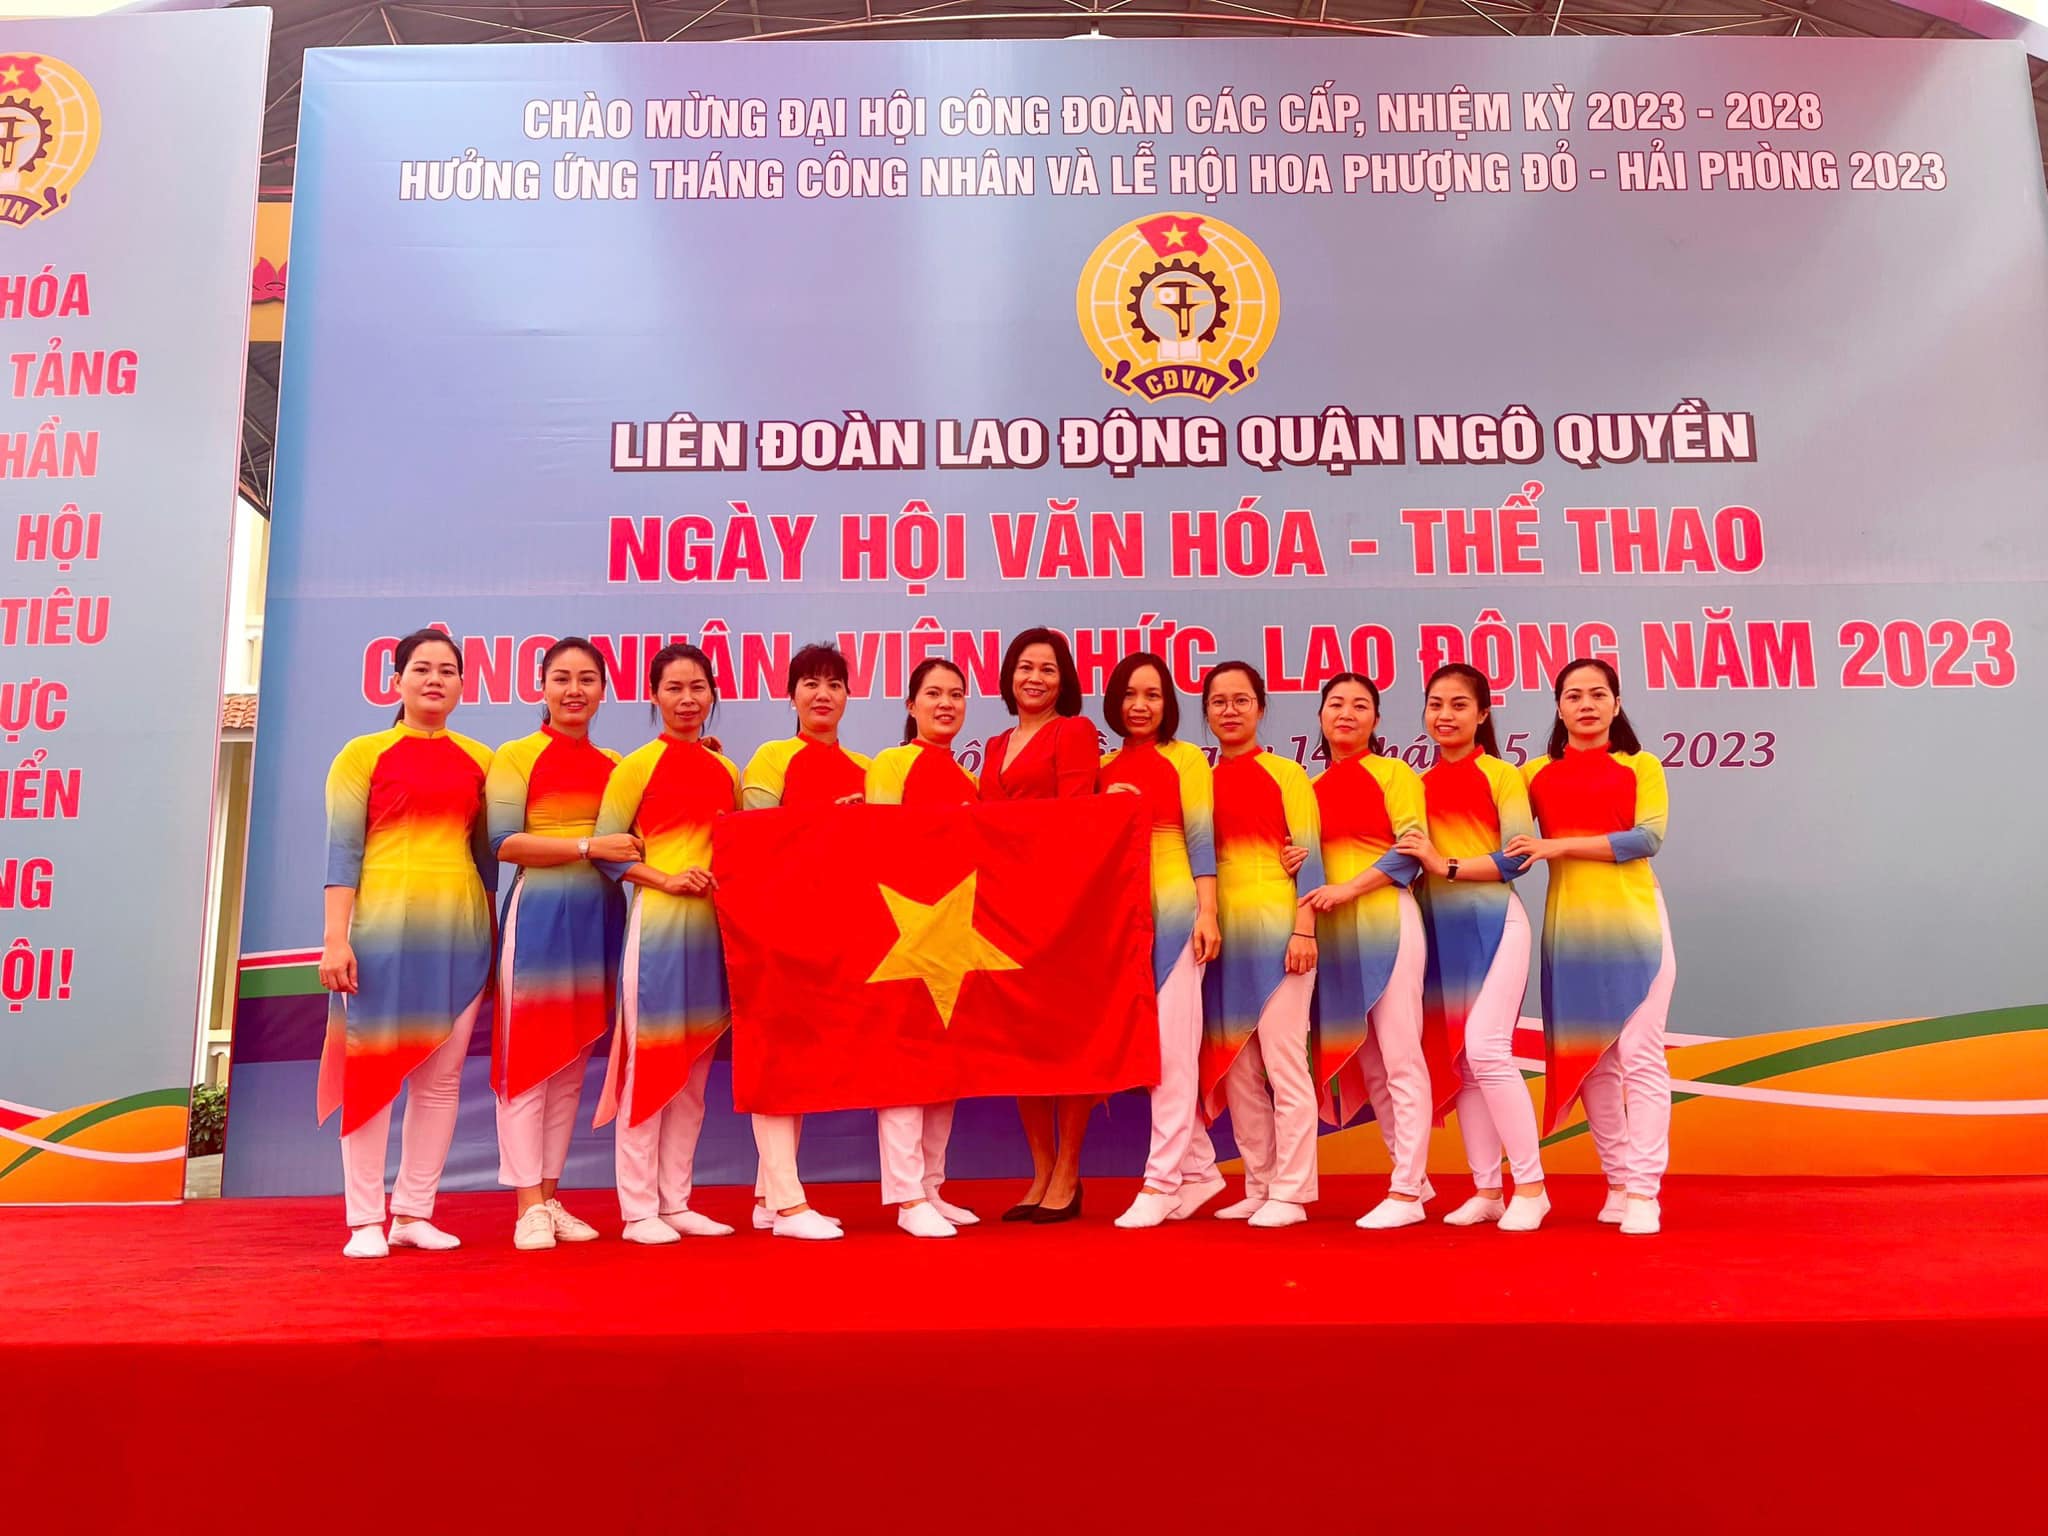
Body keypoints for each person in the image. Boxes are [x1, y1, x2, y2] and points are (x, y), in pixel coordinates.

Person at [318, 628, 496, 1259]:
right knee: (372, 1074)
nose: (435, 679)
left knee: (441, 1082)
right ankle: (365, 1219)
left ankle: (415, 1213)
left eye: (448, 670)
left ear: (463, 685)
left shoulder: (481, 760)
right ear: (395, 681)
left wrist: (489, 940)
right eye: (422, 668)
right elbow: (343, 853)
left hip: (460, 937)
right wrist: (335, 940)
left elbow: (488, 860)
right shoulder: (362, 755)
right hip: (379, 936)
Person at [591, 644, 760, 1242]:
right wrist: (665, 879)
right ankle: (638, 1210)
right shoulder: (635, 767)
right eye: (674, 688)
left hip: (712, 935)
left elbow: (741, 847)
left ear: (713, 694)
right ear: (654, 696)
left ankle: (676, 1200)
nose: (687, 699)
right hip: (658, 930)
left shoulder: (726, 771)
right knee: (649, 1065)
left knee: (693, 1070)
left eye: (698, 688)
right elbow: (607, 851)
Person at [1512, 658, 1675, 1236]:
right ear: (1558, 707)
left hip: (1636, 922)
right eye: (1574, 695)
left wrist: (1558, 846)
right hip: (1571, 931)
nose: (1586, 704)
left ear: (1616, 703)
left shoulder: (1641, 766)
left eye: (1598, 694)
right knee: (1594, 1064)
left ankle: (1645, 1191)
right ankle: (1619, 1182)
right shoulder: (1533, 774)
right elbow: (1501, 839)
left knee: (1640, 1054)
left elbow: (1646, 838)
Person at [486, 637, 635, 1251]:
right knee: (528, 1062)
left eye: (587, 679)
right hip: (539, 919)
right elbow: (504, 843)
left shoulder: (617, 765)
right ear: (541, 687)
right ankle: (526, 1206)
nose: (575, 690)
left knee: (571, 1064)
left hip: (599, 919)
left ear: (603, 691)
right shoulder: (516, 756)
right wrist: (586, 846)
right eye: (562, 678)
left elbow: (645, 831)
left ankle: (549, 1197)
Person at [1396, 664, 1549, 1232]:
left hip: (1495, 923)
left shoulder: (1502, 776)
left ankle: (1531, 1187)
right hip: (1440, 933)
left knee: (1486, 1049)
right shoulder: (1415, 784)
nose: (1445, 715)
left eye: (1459, 705)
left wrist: (1446, 865)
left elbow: (1517, 856)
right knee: (1460, 1061)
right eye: (1435, 704)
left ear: (1483, 714)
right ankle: (1487, 1190)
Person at [738, 642, 867, 1236]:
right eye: (811, 683)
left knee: (802, 1066)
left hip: (837, 933)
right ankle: (789, 1203)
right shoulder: (772, 757)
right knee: (775, 1062)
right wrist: (824, 822)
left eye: (835, 684)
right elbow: (752, 839)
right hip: (775, 926)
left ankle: (769, 1198)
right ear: (791, 696)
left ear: (848, 696)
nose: (823, 694)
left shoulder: (869, 769)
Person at [1097, 652, 1226, 1230]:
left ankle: (1160, 1181)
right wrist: (1106, 809)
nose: (1140, 705)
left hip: (1176, 913)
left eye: (1152, 695)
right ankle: (1199, 1170)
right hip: (1120, 921)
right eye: (1130, 694)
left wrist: (1208, 913)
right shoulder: (1101, 766)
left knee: (1173, 1051)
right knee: (1145, 1054)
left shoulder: (1187, 759)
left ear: (1168, 703)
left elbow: (1201, 838)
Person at [1301, 673, 1434, 1231]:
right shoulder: (1308, 788)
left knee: (1400, 1055)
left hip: (1386, 920)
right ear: (1321, 716)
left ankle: (1405, 1191)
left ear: (1376, 720)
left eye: (1360, 705)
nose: (1346, 713)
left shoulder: (1394, 773)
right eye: (1336, 704)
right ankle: (1412, 1180)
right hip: (1335, 935)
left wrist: (1348, 889)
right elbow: (1303, 861)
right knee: (1372, 1061)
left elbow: (1411, 850)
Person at [976, 627, 1100, 1222]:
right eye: (1026, 667)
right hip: (1004, 907)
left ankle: (1069, 1172)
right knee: (1022, 1041)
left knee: (1065, 1038)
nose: (1035, 678)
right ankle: (1042, 1169)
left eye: (1048, 669)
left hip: (1059, 904)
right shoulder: (995, 743)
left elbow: (1074, 819)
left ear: (1063, 680)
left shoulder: (1073, 731)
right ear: (1009, 675)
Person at [1198, 661, 1323, 1229]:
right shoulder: (1199, 781)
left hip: (1281, 935)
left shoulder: (1286, 774)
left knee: (1284, 1062)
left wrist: (1304, 928)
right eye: (1218, 702)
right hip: (1223, 941)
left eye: (1241, 700)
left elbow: (1310, 856)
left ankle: (1292, 1192)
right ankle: (1260, 1182)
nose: (1230, 710)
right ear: (1206, 712)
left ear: (1261, 708)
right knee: (1238, 1069)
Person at [864, 658, 983, 1237]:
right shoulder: (893, 763)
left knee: (945, 1064)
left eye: (956, 694)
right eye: (933, 694)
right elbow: (881, 841)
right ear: (911, 706)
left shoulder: (969, 780)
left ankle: (933, 1186)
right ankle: (908, 1196)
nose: (945, 704)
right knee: (906, 1065)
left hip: (955, 935)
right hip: (903, 928)